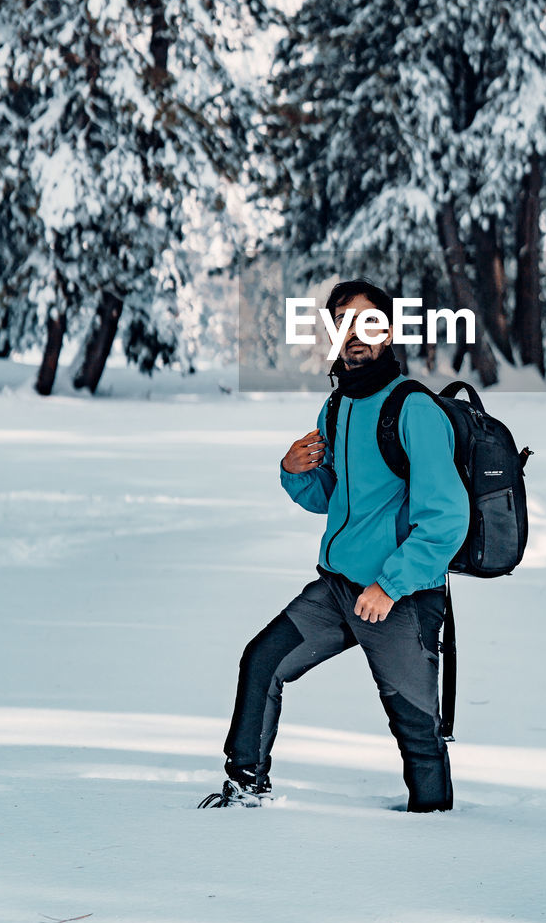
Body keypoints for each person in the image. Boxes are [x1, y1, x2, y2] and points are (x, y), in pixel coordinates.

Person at [198, 278, 469, 813]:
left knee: (416, 729)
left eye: (369, 322)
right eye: (344, 323)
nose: (356, 335)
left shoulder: (414, 410)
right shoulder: (338, 406)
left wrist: (390, 585)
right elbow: (334, 497)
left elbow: (446, 518)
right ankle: (245, 788)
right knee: (262, 661)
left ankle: (436, 829)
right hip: (340, 590)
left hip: (398, 599)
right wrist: (294, 472)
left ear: (388, 331)